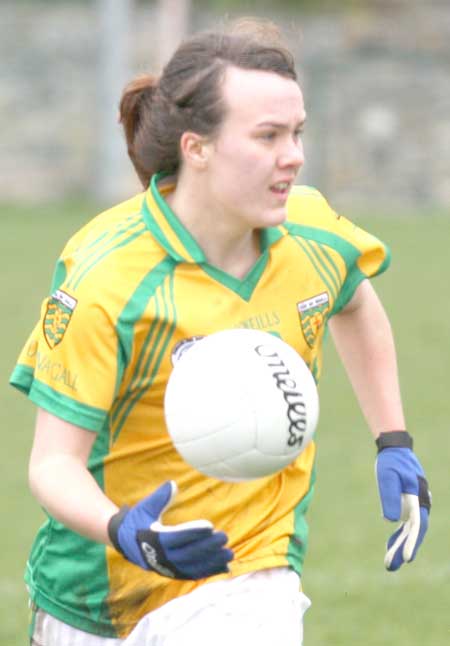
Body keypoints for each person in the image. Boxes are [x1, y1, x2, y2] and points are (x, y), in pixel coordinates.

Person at [11, 18, 431, 646]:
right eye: (267, 136)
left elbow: (355, 303)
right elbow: (52, 464)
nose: (294, 155)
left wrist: (393, 439)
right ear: (196, 147)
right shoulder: (108, 275)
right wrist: (128, 530)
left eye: (297, 133)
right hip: (94, 593)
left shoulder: (311, 232)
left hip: (249, 570)